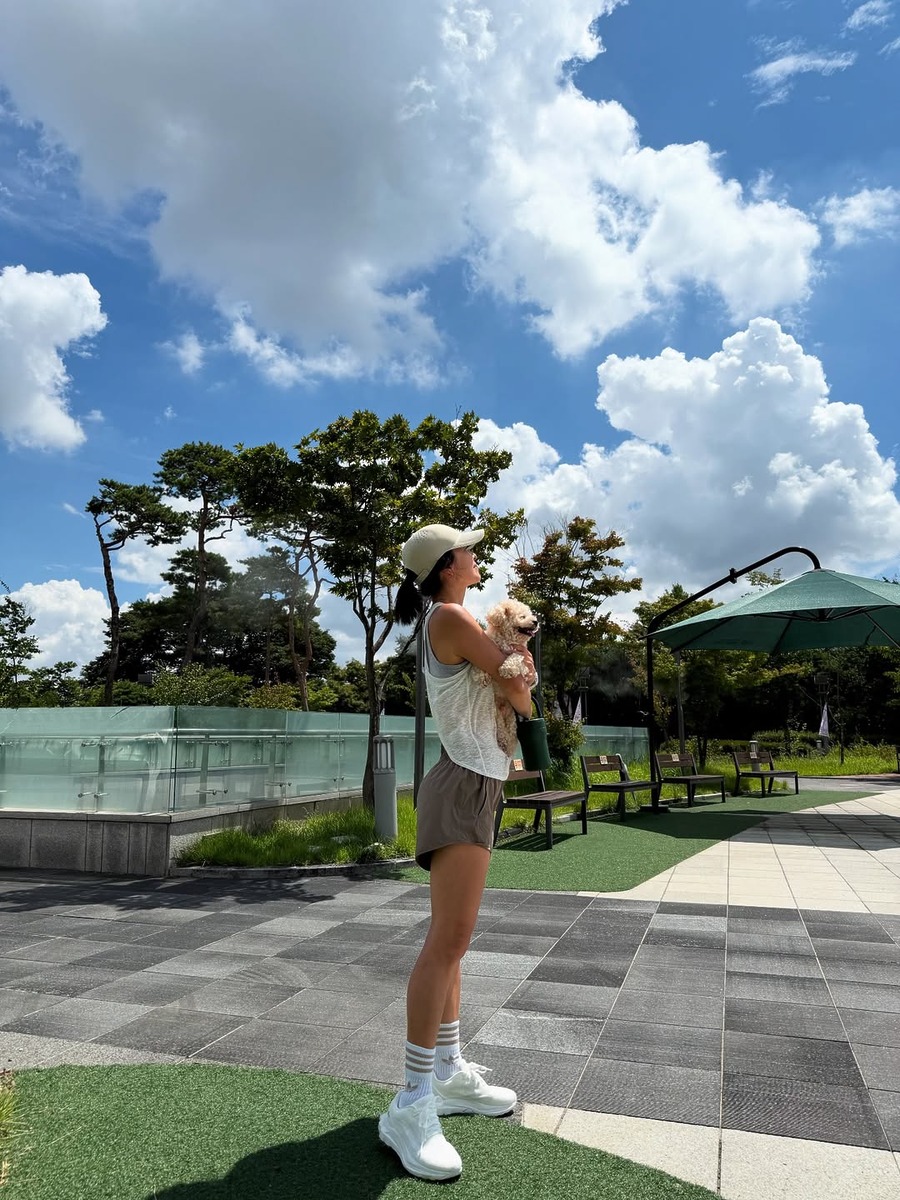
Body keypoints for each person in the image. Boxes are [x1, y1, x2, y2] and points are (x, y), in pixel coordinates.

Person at [377, 523, 534, 1181]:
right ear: (448, 565)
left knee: (454, 942)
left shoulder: (454, 618)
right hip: (463, 783)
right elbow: (521, 694)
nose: (476, 555)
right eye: (466, 549)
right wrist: (520, 677)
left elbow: (516, 686)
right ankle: (412, 1100)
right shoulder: (451, 617)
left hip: (475, 782)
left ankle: (446, 1072)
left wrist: (517, 677)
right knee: (447, 942)